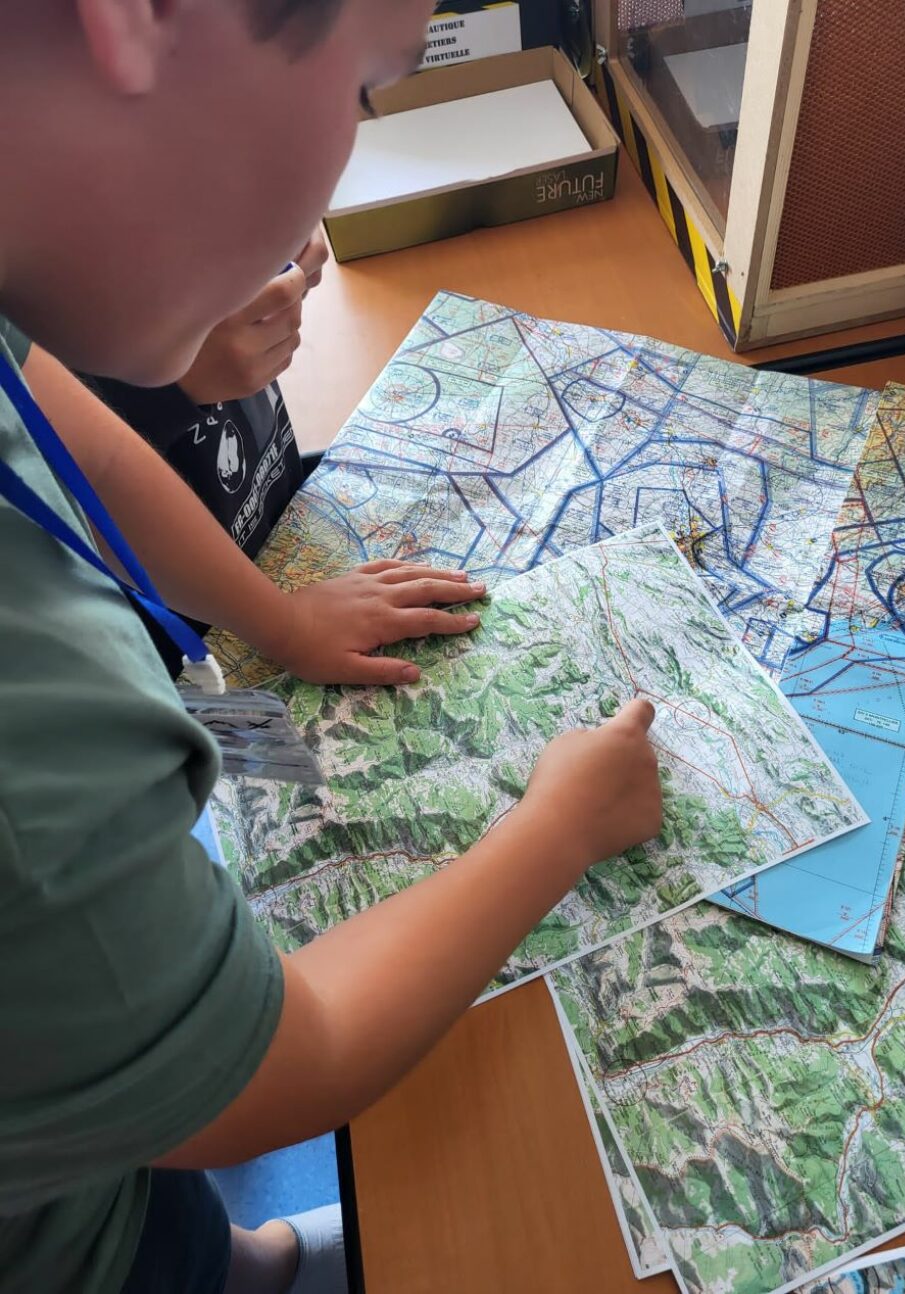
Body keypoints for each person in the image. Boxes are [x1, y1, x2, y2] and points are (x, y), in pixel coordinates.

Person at [0, 6, 664, 1294]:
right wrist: (557, 830)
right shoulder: (27, 732)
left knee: (205, 1242)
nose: (337, 185)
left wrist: (278, 611)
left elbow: (47, 406)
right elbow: (262, 1071)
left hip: (75, 1153)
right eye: (366, 87)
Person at [78, 226, 329, 674]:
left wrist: (278, 239)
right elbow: (71, 469)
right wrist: (165, 390)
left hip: (272, 524)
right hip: (175, 646)